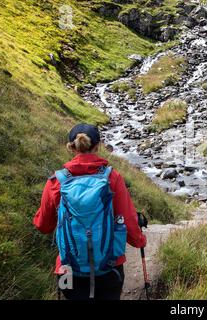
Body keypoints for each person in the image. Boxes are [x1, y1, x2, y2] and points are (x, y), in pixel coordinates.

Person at [33, 124, 146, 300]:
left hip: (67, 270)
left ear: (71, 147)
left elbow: (43, 226)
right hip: (110, 269)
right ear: (98, 146)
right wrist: (140, 240)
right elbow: (128, 220)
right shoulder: (112, 178)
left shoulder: (56, 182)